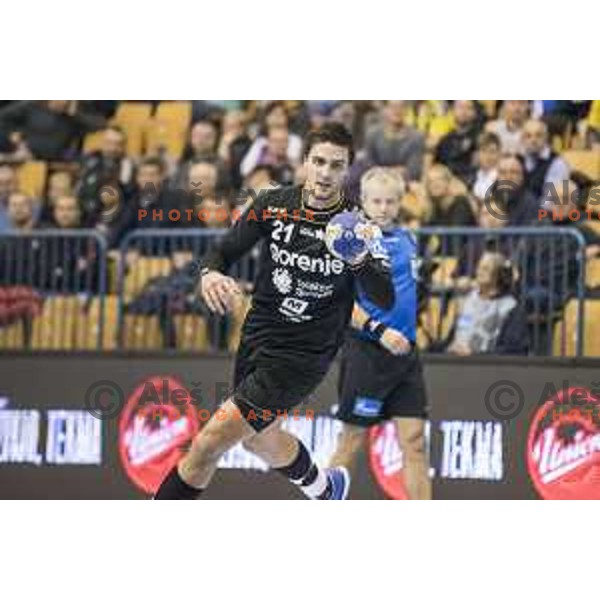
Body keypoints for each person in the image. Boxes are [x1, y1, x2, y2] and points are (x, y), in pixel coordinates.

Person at [154, 123, 394, 500]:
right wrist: (210, 273)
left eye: (336, 165)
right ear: (305, 162)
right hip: (257, 339)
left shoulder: (359, 226)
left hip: (302, 357)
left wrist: (360, 259)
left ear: (347, 170)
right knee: (259, 442)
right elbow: (223, 250)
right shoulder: (272, 204)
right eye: (319, 162)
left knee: (207, 444)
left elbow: (385, 297)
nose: (326, 173)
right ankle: (326, 490)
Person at [328, 167, 431, 500]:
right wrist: (380, 330)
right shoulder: (350, 241)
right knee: (352, 440)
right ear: (363, 201)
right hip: (367, 353)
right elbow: (342, 302)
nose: (383, 208)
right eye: (376, 201)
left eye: (390, 201)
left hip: (406, 356)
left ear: (400, 202)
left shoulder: (409, 239)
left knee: (414, 441)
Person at [444, 252, 529, 356]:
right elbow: (452, 338)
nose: (479, 272)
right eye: (479, 267)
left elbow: (514, 350)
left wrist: (474, 354)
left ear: (499, 275)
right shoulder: (468, 301)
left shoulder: (511, 308)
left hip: (488, 368)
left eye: (485, 269)